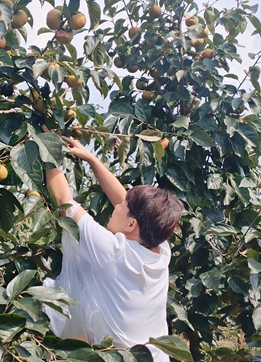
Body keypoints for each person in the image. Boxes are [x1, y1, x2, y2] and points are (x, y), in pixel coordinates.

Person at [41, 134, 185, 361]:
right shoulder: (159, 248)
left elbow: (64, 202)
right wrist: (91, 159)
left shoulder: (113, 252)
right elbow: (127, 201)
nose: (116, 206)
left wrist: (45, 146)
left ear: (131, 224)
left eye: (122, 207)